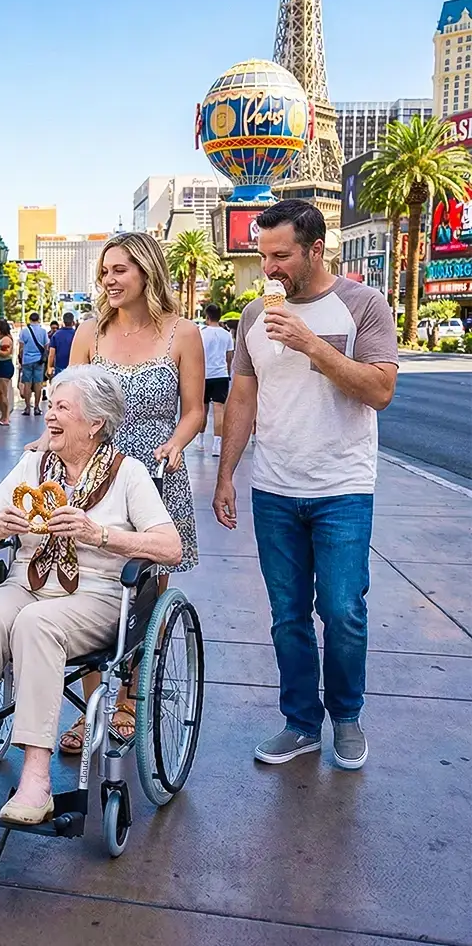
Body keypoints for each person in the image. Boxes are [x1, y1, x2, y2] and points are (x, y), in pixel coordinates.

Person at [0, 367, 181, 822]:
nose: (49, 415)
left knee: (36, 624)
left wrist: (101, 535)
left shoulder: (127, 473)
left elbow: (170, 547)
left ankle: (36, 780)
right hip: (27, 583)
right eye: (49, 405)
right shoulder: (34, 466)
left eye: (62, 408)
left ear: (94, 423)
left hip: (98, 594)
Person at [212, 199, 398, 770]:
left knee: (343, 610)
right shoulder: (251, 317)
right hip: (273, 486)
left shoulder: (363, 305)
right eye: (263, 255)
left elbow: (380, 390)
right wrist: (226, 475)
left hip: (342, 485)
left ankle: (346, 716)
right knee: (287, 613)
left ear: (316, 249)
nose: (269, 268)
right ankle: (300, 723)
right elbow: (243, 396)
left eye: (281, 255)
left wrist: (312, 343)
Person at [27, 232, 204, 753]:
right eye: (105, 271)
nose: (109, 279)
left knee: (141, 595)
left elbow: (194, 408)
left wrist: (175, 442)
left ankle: (127, 699)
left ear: (147, 272)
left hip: (153, 474)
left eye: (120, 269)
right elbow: (65, 404)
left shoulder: (182, 334)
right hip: (89, 473)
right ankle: (91, 708)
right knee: (83, 583)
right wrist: (45, 443)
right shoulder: (89, 333)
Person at [197, 303, 234, 457]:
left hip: (204, 375)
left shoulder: (201, 333)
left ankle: (200, 440)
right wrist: (227, 370)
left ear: (207, 316)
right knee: (219, 410)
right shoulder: (226, 335)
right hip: (221, 375)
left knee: (202, 409)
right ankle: (217, 445)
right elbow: (229, 356)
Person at [18, 312, 49, 415]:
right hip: (39, 360)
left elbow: (21, 348)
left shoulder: (24, 331)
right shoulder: (43, 331)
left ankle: (27, 408)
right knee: (38, 384)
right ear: (38, 319)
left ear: (30, 320)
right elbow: (46, 346)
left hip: (27, 360)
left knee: (27, 384)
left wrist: (21, 359)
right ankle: (36, 407)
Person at [0, 319, 15, 426]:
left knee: (3, 393)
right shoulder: (2, 339)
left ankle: (5, 417)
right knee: (1, 393)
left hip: (4, 366)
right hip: (1, 366)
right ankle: (4, 416)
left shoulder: (6, 340)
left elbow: (5, 353)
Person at [47, 311, 77, 379]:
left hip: (59, 367)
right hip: (74, 367)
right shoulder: (77, 334)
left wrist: (49, 367)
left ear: (63, 322)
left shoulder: (56, 335)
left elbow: (51, 354)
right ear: (73, 322)